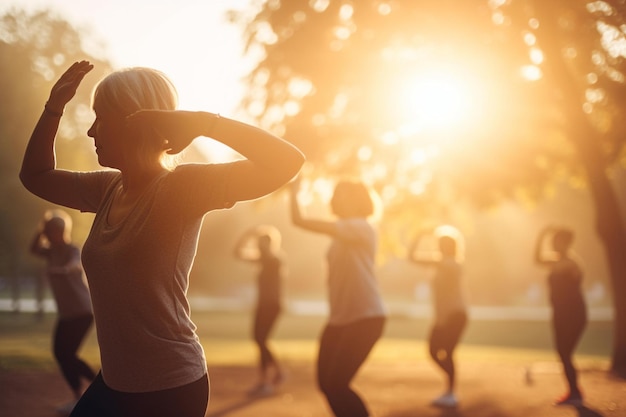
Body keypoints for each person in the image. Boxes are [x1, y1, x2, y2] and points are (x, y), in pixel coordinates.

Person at [20, 60, 305, 417]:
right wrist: (53, 107)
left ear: (134, 122)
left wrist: (203, 123)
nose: (91, 131)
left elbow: (287, 162)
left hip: (168, 389)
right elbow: (35, 175)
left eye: (101, 117)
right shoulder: (106, 188)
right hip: (114, 383)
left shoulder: (181, 188)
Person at [289, 176, 386, 417]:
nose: (336, 197)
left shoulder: (361, 227)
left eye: (342, 193)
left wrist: (295, 190)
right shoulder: (343, 232)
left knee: (336, 385)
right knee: (326, 385)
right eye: (336, 193)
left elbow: (300, 221)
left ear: (356, 200)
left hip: (366, 317)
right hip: (339, 320)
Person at [29, 209, 96, 414]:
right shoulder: (50, 251)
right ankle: (82, 395)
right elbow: (33, 248)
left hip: (82, 312)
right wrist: (43, 224)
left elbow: (75, 264)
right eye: (50, 231)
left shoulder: (71, 250)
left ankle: (95, 390)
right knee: (62, 353)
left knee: (66, 353)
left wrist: (63, 270)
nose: (52, 234)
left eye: (55, 230)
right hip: (67, 314)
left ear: (63, 231)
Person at [407, 226, 468, 408]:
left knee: (447, 352)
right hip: (443, 317)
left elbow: (419, 260)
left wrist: (423, 236)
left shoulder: (453, 264)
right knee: (433, 350)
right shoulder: (441, 264)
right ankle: (450, 389)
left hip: (455, 315)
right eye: (440, 244)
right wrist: (418, 236)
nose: (441, 248)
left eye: (444, 245)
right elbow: (412, 258)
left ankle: (450, 393)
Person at [534, 225, 587, 407]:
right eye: (553, 241)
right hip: (559, 314)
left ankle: (575, 392)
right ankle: (573, 391)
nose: (554, 244)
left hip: (573, 314)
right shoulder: (557, 261)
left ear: (566, 243)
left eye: (558, 241)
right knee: (562, 353)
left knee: (565, 351)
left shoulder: (570, 263)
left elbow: (548, 263)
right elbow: (537, 259)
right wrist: (542, 234)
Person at [233, 225, 285, 395]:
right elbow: (237, 253)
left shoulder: (273, 260)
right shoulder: (263, 259)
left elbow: (244, 255)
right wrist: (247, 234)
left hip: (271, 305)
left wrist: (252, 235)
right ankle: (277, 373)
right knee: (259, 339)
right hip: (264, 305)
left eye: (263, 243)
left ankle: (265, 382)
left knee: (260, 339)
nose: (261, 246)